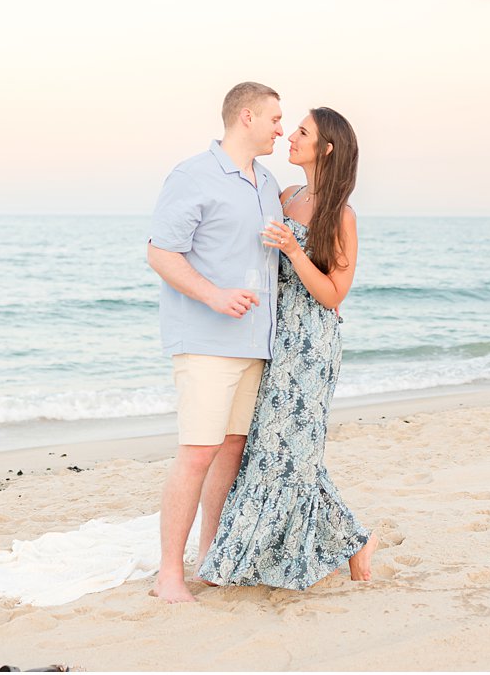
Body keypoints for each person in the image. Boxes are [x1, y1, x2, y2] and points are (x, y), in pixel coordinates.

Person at [196, 106, 378, 590]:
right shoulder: (285, 194)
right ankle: (351, 541)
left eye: (302, 131)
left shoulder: (341, 215)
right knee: (272, 449)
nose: (290, 136)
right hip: (273, 337)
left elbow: (336, 294)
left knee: (292, 451)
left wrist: (296, 252)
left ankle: (351, 540)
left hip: (312, 344)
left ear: (327, 148)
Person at [146, 81, 285, 603]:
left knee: (230, 452)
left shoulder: (267, 182)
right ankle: (169, 576)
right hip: (205, 341)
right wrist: (213, 295)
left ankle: (211, 559)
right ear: (246, 117)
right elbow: (161, 253)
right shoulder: (192, 175)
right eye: (274, 118)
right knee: (198, 454)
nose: (280, 128)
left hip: (254, 344)